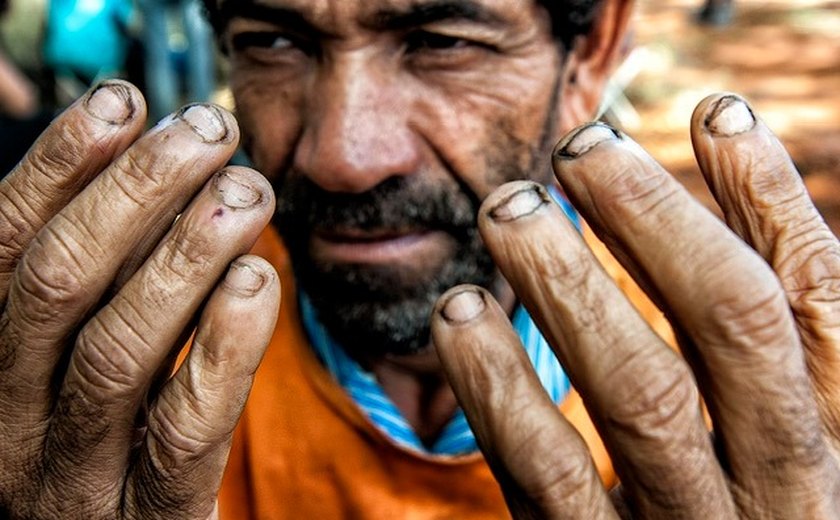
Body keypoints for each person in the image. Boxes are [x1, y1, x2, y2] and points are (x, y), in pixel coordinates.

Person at [1, 0, 838, 519]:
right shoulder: (106, 386)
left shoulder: (763, 404)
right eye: (276, 42)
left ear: (590, 51)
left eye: (441, 39)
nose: (343, 154)